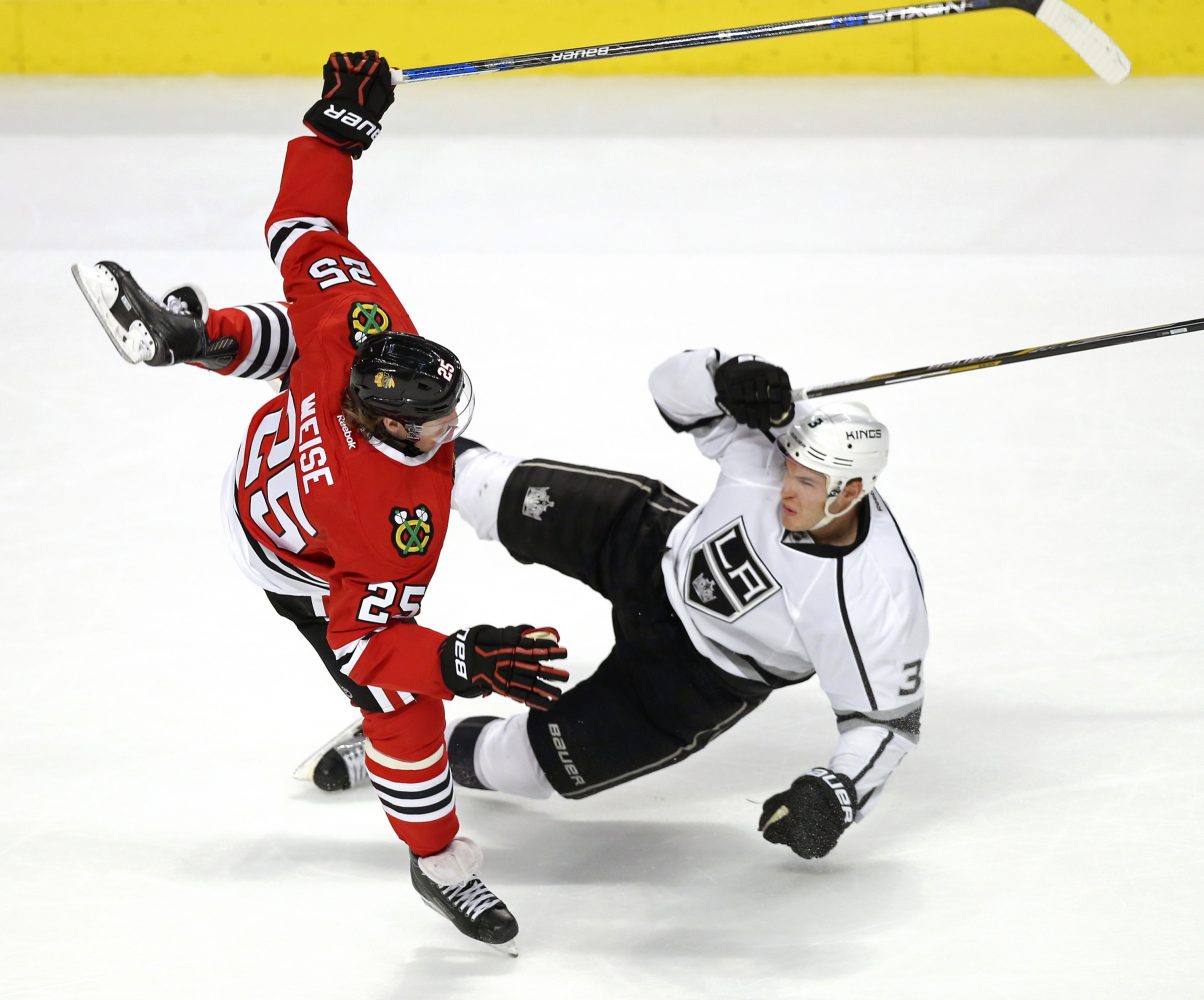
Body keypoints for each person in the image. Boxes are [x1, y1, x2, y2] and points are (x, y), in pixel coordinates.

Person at [72, 50, 571, 954]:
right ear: (389, 428)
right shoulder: (390, 520)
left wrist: (335, 129)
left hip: (278, 453)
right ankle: (438, 861)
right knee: (403, 708)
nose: (445, 431)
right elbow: (369, 642)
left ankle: (188, 336)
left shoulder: (364, 331)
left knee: (300, 335)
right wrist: (461, 660)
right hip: (293, 557)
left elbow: (302, 224)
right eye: (432, 427)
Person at [435, 349, 928, 861]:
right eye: (790, 469)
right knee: (482, 480)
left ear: (850, 491)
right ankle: (359, 468)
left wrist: (836, 795)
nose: (786, 486)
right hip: (647, 547)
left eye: (805, 482)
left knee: (525, 766)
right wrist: (724, 376)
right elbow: (669, 387)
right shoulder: (778, 440)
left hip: (692, 680)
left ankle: (414, 744)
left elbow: (887, 725)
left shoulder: (880, 597)